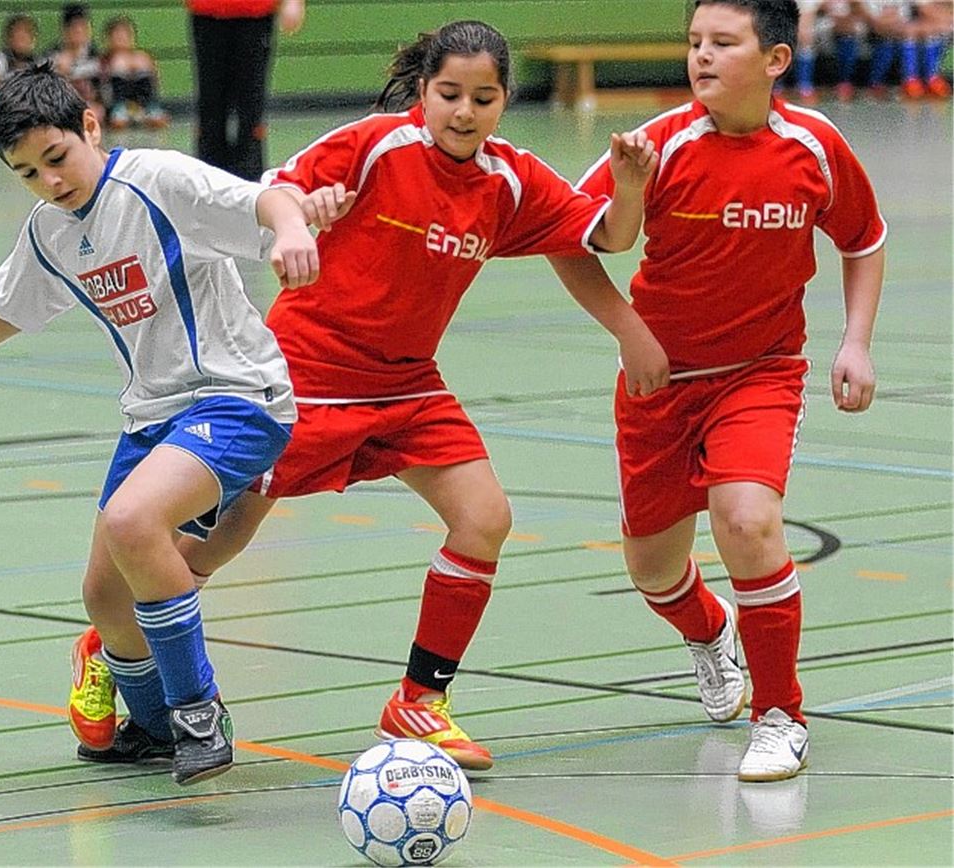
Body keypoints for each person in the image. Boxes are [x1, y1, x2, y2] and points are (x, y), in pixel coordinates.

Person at [68, 18, 670, 772]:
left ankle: (419, 702)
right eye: (449, 93)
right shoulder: (376, 146)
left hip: (408, 383)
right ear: (423, 91)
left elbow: (606, 237)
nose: (464, 112)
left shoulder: (509, 179)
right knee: (216, 545)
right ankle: (112, 643)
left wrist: (631, 188)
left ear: (504, 100)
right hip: (305, 377)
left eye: (483, 98)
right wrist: (300, 223)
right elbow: (278, 190)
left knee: (484, 518)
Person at [0, 62, 329, 787]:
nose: (49, 181)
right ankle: (154, 729)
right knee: (105, 596)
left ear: (89, 126)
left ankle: (197, 711)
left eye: (57, 158)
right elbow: (7, 307)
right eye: (27, 173)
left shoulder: (157, 180)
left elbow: (265, 200)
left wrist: (293, 227)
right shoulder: (51, 231)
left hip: (237, 396)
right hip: (152, 414)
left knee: (133, 522)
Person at [572, 0, 886, 782]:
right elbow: (575, 240)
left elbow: (863, 239)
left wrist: (855, 341)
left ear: (775, 59)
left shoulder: (814, 146)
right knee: (653, 568)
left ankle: (780, 714)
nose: (701, 56)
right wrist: (629, 330)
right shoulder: (657, 145)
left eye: (722, 42)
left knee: (747, 520)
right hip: (658, 382)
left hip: (761, 372)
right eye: (693, 42)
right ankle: (711, 633)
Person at [186, 0, 306, 180]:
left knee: (250, 107)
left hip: (256, 14)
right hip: (207, 12)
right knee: (210, 107)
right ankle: (207, 179)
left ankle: (250, 181)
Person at [100, 15, 169, 129]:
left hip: (144, 103)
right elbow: (103, 89)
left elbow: (155, 83)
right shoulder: (105, 60)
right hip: (118, 104)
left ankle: (148, 111)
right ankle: (123, 112)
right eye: (117, 36)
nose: (121, 39)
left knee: (158, 120)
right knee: (118, 122)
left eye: (125, 35)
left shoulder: (142, 57)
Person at [51, 3, 105, 123]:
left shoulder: (96, 56)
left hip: (89, 106)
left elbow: (102, 91)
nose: (79, 31)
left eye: (83, 26)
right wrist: (60, 71)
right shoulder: (53, 56)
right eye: (74, 27)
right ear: (65, 30)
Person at [0, 13, 40, 79]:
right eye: (18, 34)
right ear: (9, 38)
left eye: (27, 33)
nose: (23, 38)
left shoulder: (38, 63)